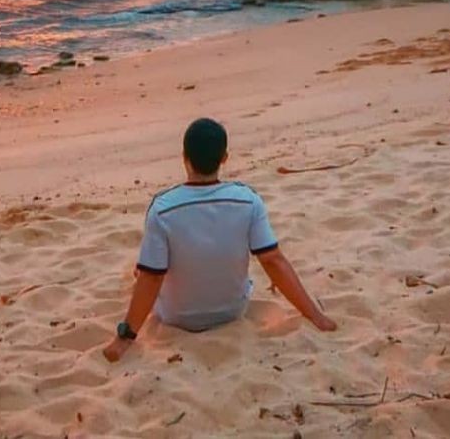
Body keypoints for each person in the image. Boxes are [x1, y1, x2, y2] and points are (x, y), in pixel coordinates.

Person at [103, 117, 336, 362]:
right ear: (224, 158)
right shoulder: (248, 200)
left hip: (177, 316)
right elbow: (273, 260)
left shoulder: (162, 209)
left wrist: (125, 337)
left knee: (143, 272)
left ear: (184, 157)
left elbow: (152, 278)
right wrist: (315, 316)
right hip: (232, 311)